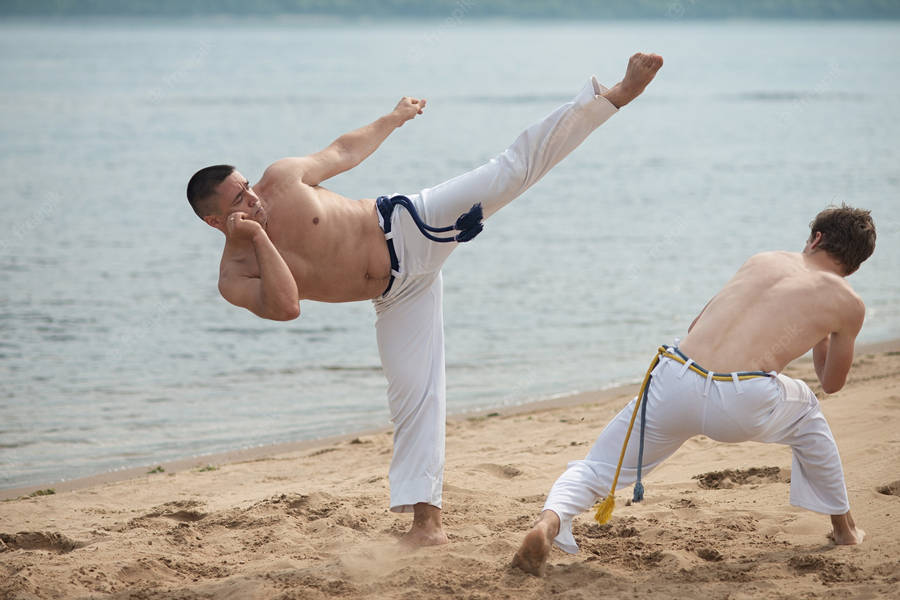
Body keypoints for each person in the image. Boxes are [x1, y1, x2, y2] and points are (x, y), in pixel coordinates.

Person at [186, 53, 664, 546]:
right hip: (397, 294)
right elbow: (287, 307)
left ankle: (610, 97)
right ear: (215, 222)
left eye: (246, 187)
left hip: (408, 226)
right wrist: (260, 239)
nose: (253, 199)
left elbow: (343, 151)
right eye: (239, 200)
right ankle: (427, 526)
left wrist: (393, 119)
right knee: (415, 397)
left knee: (510, 171)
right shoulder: (236, 274)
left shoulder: (282, 178)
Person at [512, 205, 876, 575]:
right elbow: (831, 383)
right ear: (856, 265)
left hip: (676, 379)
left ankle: (549, 523)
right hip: (741, 401)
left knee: (598, 468)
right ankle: (843, 529)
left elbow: (695, 323)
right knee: (808, 411)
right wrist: (824, 332)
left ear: (816, 238)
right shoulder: (848, 304)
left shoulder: (762, 259)